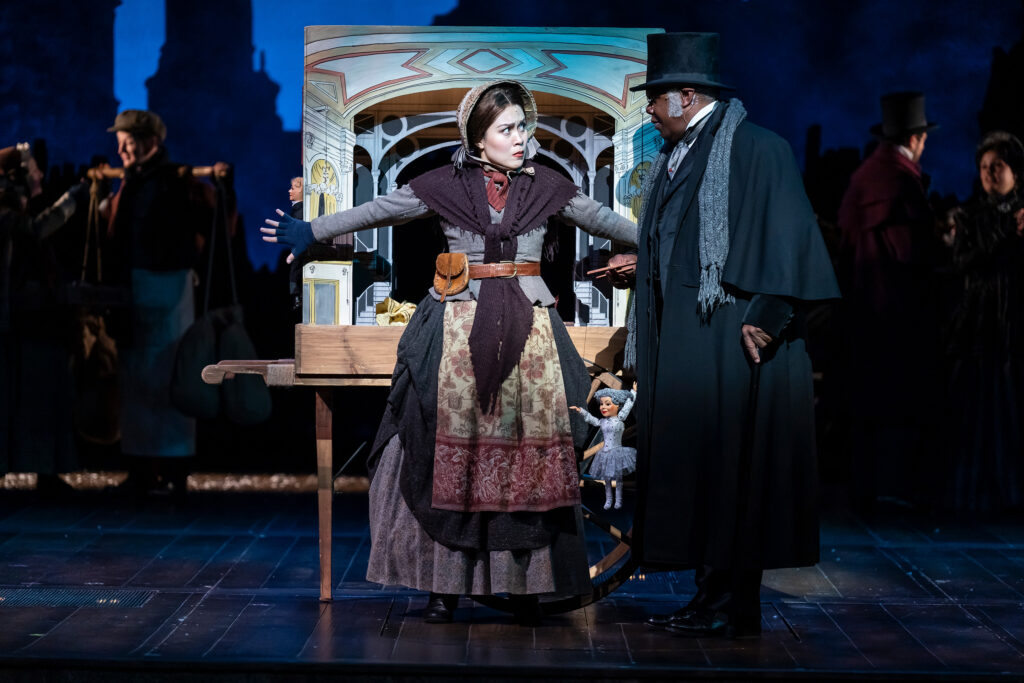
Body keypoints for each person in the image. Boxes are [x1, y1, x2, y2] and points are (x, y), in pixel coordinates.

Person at [263, 80, 637, 624]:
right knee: (444, 453)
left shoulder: (548, 186)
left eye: (522, 127)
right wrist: (312, 229)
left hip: (530, 333)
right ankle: (443, 586)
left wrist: (664, 236)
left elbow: (605, 220)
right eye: (506, 129)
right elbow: (378, 211)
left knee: (525, 460)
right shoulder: (444, 185)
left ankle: (526, 583)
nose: (519, 138)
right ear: (478, 139)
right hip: (456, 330)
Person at [608, 32, 840, 639]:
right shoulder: (677, 156)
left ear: (687, 96)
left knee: (735, 474)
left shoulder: (758, 149)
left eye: (656, 98)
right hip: (688, 344)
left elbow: (788, 239)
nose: (650, 110)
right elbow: (686, 237)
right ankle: (708, 598)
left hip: (732, 344)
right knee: (705, 472)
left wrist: (766, 315)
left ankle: (731, 606)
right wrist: (647, 263)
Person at [103, 109, 219, 496]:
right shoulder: (134, 181)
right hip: (137, 285)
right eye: (120, 141)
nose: (121, 149)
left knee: (168, 374)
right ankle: (141, 466)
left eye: (128, 140)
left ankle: (173, 466)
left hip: (168, 286)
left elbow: (198, 228)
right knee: (137, 378)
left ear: (150, 141)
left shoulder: (172, 181)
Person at [837, 92, 942, 510]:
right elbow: (915, 252)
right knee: (899, 400)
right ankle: (894, 487)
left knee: (866, 399)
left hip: (861, 309)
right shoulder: (901, 179)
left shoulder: (865, 176)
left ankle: (864, 486)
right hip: (897, 313)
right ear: (916, 138)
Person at [1, 142, 89, 493]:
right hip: (16, 317)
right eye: (33, 168)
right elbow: (35, 230)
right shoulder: (7, 210)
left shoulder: (15, 208)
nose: (39, 174)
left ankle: (39, 466)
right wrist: (72, 199)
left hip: (26, 317)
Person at [944, 131, 1024, 513]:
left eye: (998, 167)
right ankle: (974, 497)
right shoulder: (970, 215)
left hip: (1014, 321)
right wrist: (1008, 232)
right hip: (979, 323)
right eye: (984, 168)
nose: (990, 174)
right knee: (976, 410)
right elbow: (963, 261)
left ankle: (1011, 494)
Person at [570, 386, 637, 510]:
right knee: (607, 479)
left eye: (607, 404)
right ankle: (609, 500)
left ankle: (618, 499)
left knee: (618, 478)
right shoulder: (603, 422)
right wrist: (581, 411)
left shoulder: (620, 418)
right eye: (601, 404)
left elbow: (627, 407)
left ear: (617, 406)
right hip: (605, 453)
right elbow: (592, 420)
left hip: (617, 451)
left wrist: (634, 392)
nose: (603, 407)